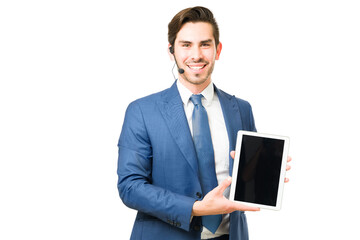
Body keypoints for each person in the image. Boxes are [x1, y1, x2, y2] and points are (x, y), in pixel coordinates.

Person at [117, 6, 291, 240]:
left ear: (217, 50)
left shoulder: (241, 109)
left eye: (205, 44)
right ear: (172, 51)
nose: (196, 55)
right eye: (186, 45)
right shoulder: (142, 111)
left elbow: (245, 181)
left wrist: (266, 175)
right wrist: (195, 208)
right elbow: (130, 187)